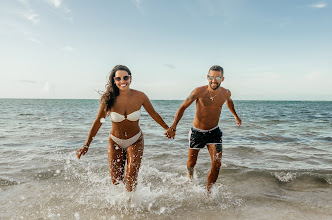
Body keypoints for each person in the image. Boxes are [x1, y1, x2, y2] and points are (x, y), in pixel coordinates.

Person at [76, 65, 171, 191]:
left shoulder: (140, 96)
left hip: (135, 140)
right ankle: (120, 208)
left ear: (130, 78)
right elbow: (98, 122)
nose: (122, 81)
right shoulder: (108, 99)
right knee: (116, 181)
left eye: (125, 77)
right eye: (118, 78)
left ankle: (131, 205)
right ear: (114, 81)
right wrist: (86, 144)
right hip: (115, 141)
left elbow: (153, 114)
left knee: (131, 178)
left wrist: (167, 128)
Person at [166, 65, 241, 192]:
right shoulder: (198, 91)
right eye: (211, 77)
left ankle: (209, 193)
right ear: (207, 77)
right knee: (191, 163)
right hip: (197, 132)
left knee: (217, 164)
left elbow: (229, 101)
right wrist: (173, 126)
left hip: (214, 132)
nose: (214, 80)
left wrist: (235, 116)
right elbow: (182, 108)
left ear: (222, 79)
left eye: (218, 77)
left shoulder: (226, 92)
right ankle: (190, 174)